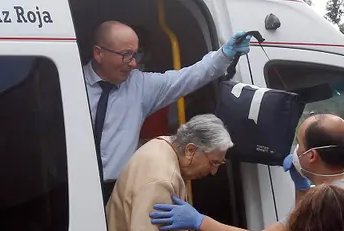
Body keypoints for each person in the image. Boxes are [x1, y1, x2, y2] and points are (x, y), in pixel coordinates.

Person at [149, 113, 344, 231]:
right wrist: (301, 187)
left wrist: (198, 220)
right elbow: (304, 227)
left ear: (312, 155)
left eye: (300, 144)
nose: (295, 149)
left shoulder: (330, 204)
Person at [84, 20, 252, 202]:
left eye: (135, 55)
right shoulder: (66, 83)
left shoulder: (140, 85)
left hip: (118, 192)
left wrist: (223, 56)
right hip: (70, 188)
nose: (133, 63)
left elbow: (187, 78)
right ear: (98, 53)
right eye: (126, 55)